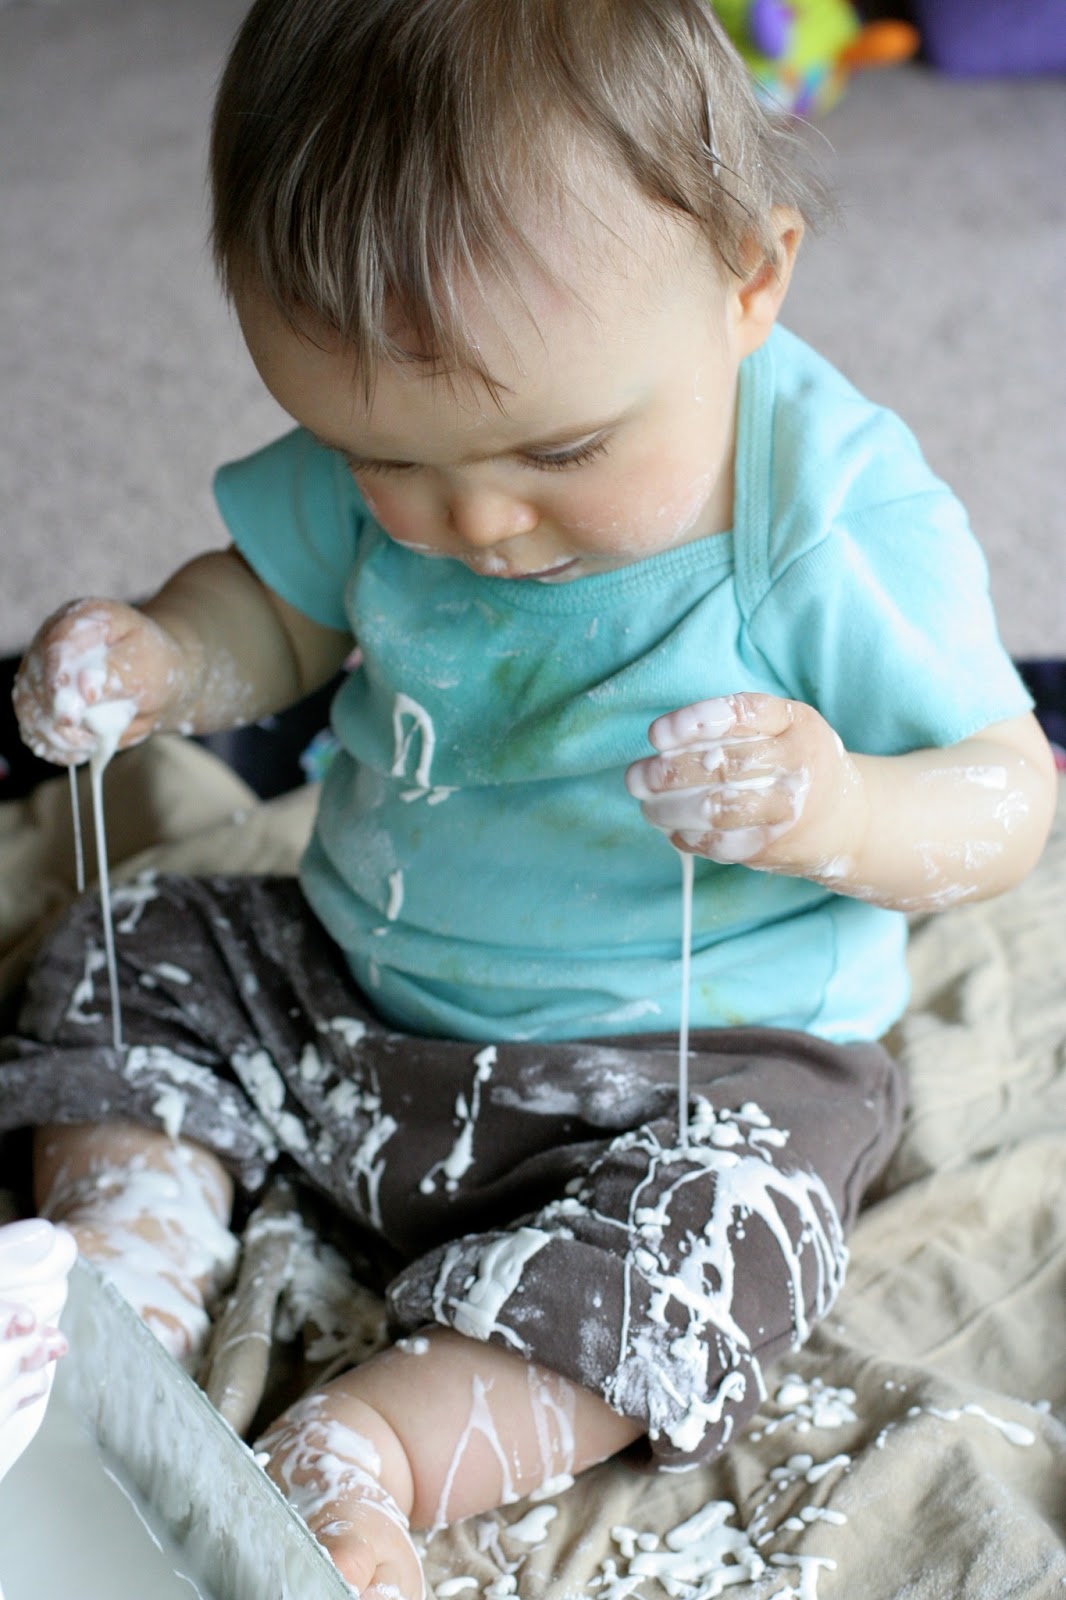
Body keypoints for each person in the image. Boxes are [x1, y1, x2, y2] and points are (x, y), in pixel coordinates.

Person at [1, 1, 1057, 1595]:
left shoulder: (829, 522)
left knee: (724, 1253)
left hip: (693, 1072)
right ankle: (115, 1314)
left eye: (559, 447)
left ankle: (373, 1446)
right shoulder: (416, 437)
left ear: (749, 280)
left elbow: (1004, 798)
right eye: (383, 464)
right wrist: (161, 661)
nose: (474, 520)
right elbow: (279, 613)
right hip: (352, 1000)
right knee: (122, 945)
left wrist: (832, 812)